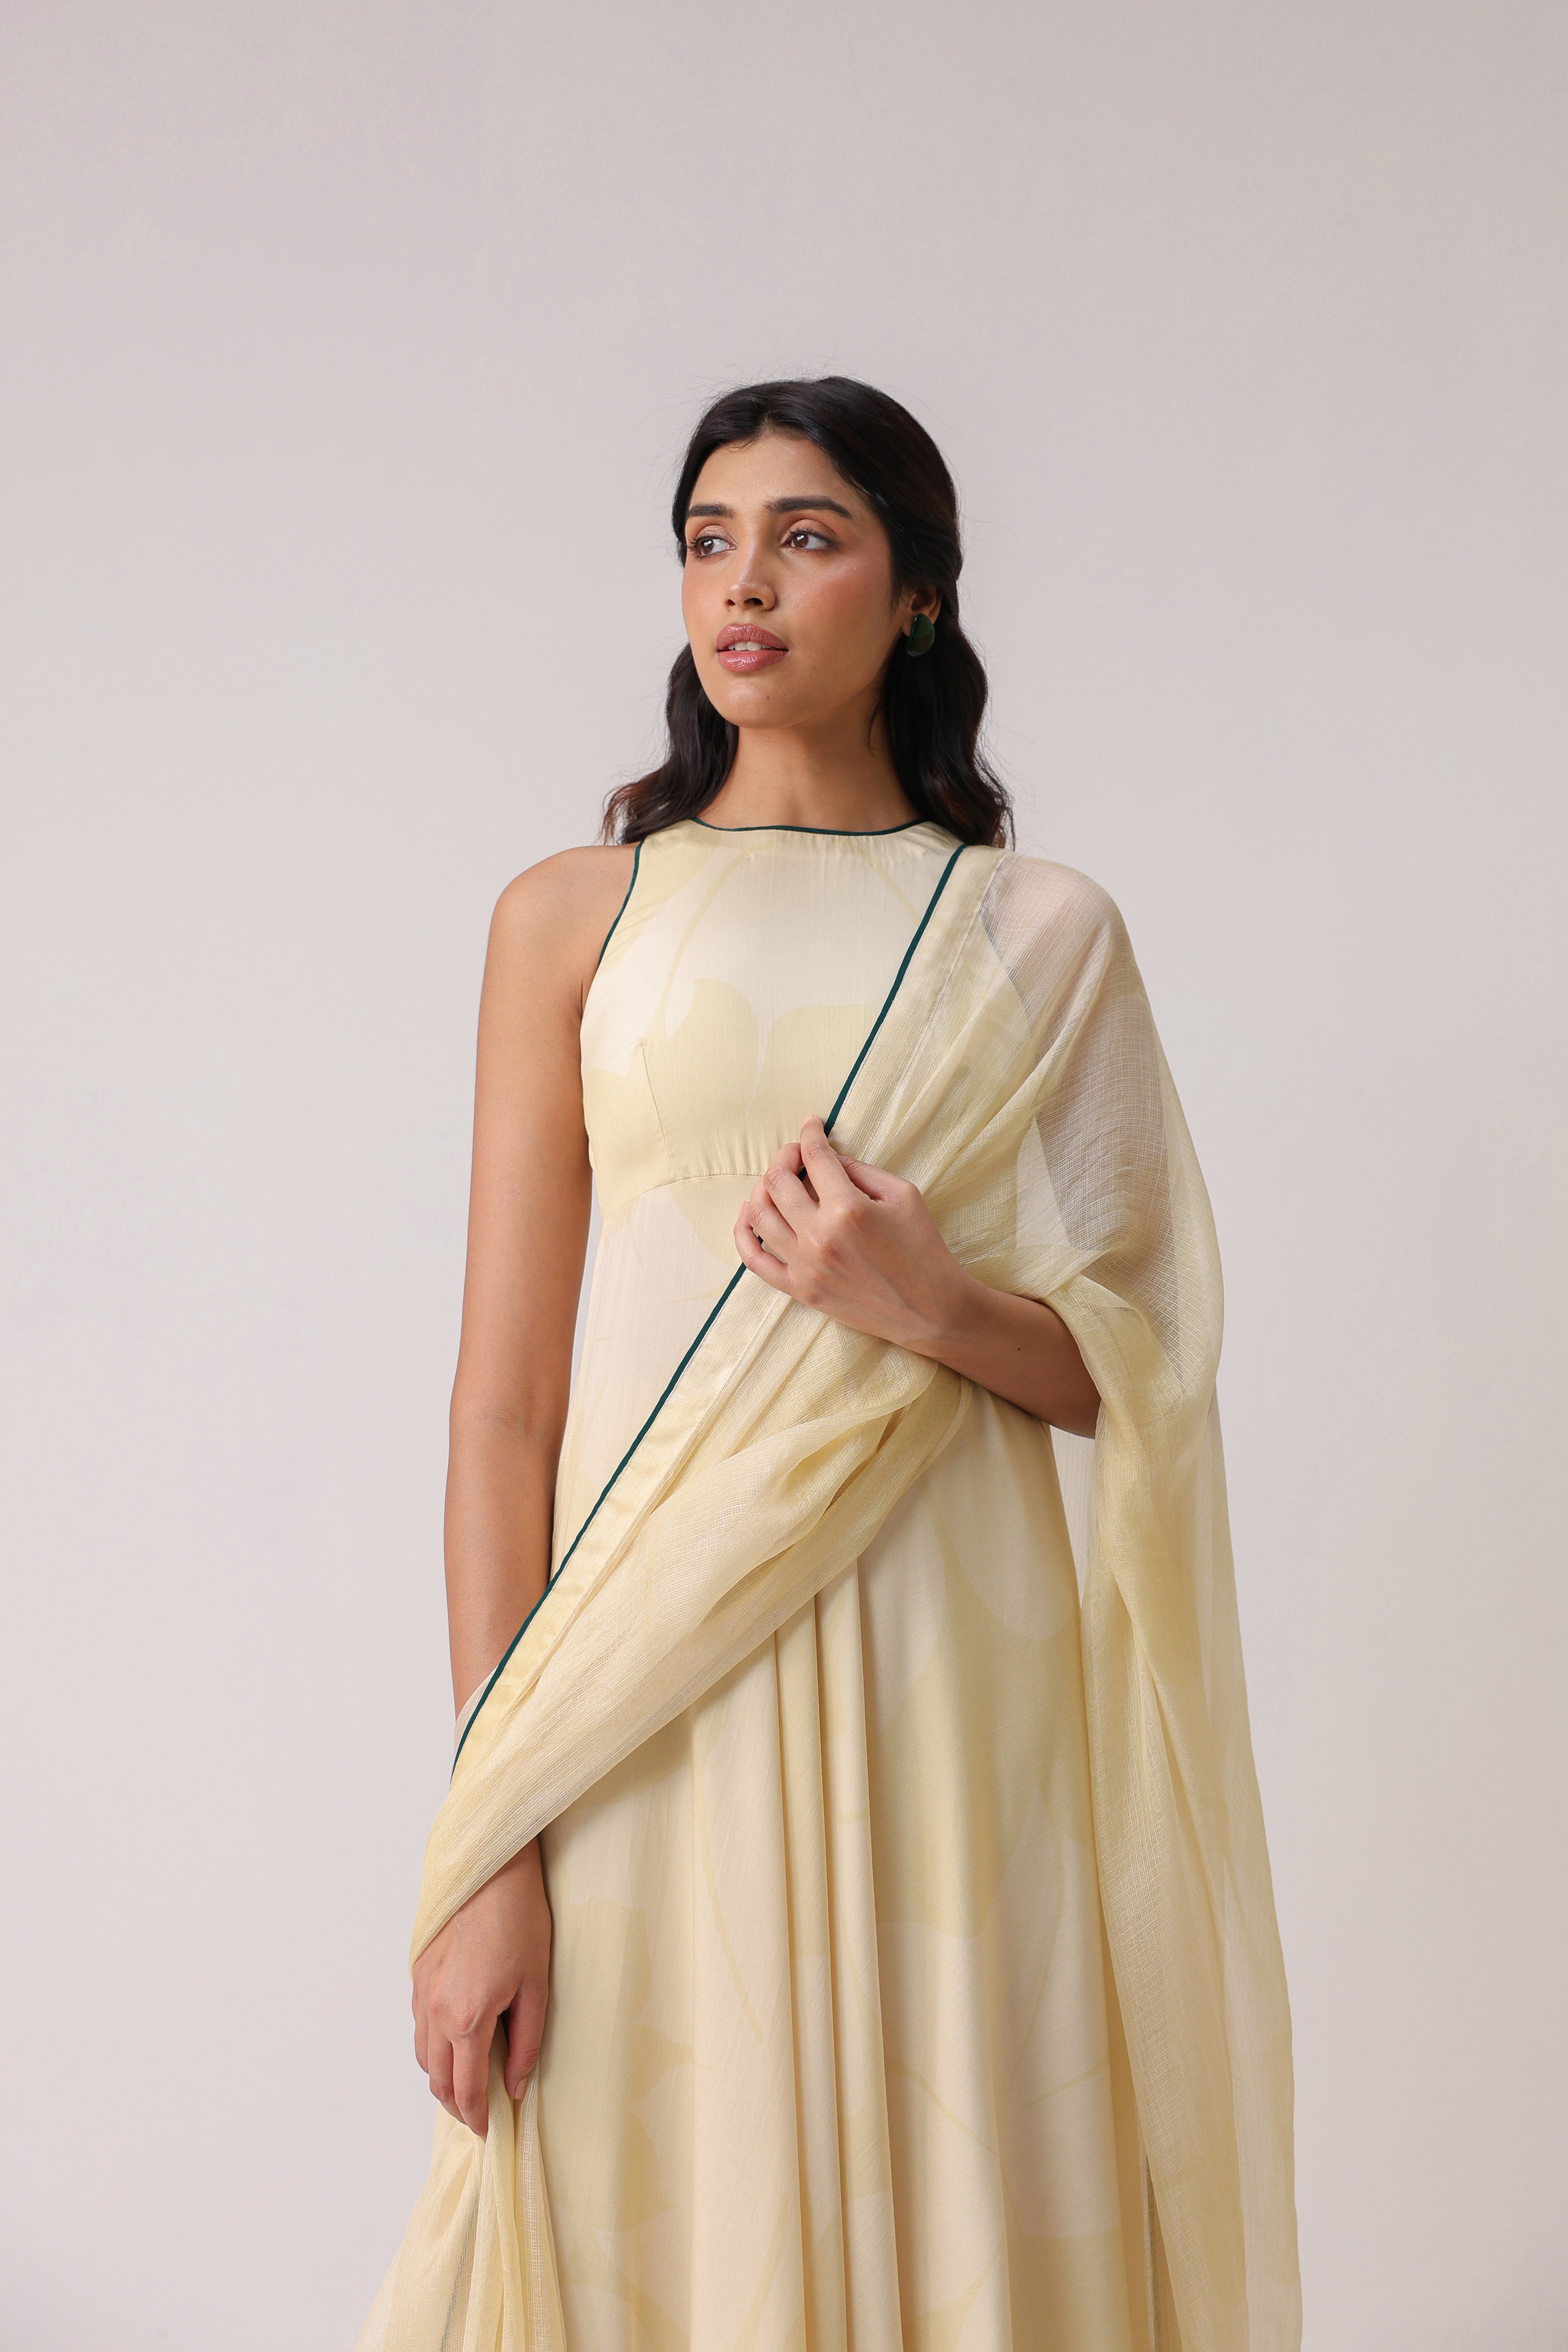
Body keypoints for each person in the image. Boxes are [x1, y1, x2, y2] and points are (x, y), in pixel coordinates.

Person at [356, 378, 1300, 2352]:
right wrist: (486, 1835)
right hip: (637, 1694)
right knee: (646, 2191)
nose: (745, 585)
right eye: (710, 541)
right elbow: (503, 1410)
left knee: (957, 2167)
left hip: (953, 1683)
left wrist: (929, 1303)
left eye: (807, 537)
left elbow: (1141, 1364)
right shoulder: (576, 918)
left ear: (919, 593)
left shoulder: (1036, 932)